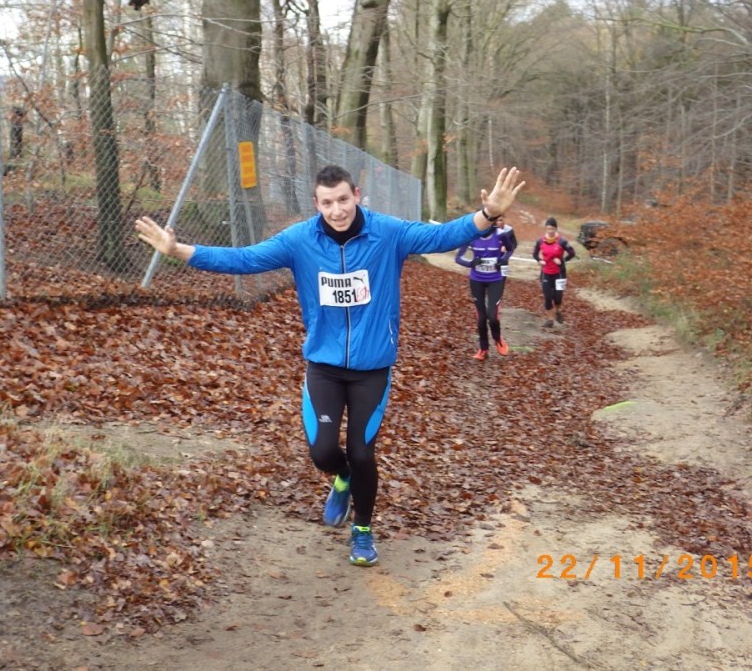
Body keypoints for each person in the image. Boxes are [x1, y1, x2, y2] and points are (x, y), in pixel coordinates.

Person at [135, 165, 525, 568]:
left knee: (361, 452)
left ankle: (363, 529)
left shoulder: (387, 233)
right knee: (323, 452)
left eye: (342, 199)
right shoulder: (299, 240)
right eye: (327, 203)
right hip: (324, 365)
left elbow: (442, 237)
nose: (337, 210)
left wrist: (489, 214)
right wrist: (179, 251)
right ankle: (341, 478)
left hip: (372, 368)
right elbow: (245, 259)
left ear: (356, 194)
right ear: (316, 204)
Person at [454, 213, 517, 359]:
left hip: (495, 279)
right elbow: (458, 258)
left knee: (492, 316)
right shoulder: (471, 237)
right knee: (481, 318)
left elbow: (510, 249)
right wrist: (471, 263)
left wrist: (503, 260)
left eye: (488, 221)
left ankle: (498, 339)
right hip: (477, 280)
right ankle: (483, 349)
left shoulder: (501, 234)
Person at [532, 217, 575, 328]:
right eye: (548, 229)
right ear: (545, 229)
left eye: (552, 229)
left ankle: (557, 311)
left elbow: (572, 253)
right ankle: (550, 319)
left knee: (558, 297)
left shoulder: (562, 241)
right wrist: (539, 260)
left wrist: (562, 260)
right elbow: (534, 254)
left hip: (559, 273)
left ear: (556, 229)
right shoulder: (540, 241)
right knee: (547, 297)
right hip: (546, 272)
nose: (550, 231)